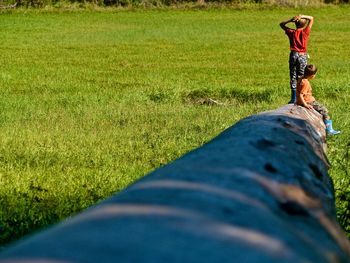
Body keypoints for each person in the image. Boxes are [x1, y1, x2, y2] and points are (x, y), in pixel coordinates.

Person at [296, 64, 340, 135]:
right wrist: (305, 104)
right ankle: (329, 130)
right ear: (312, 75)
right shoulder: (306, 83)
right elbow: (301, 94)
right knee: (324, 110)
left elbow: (298, 92)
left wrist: (297, 101)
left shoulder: (301, 78)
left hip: (301, 101)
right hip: (308, 101)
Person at [280, 14, 314, 104]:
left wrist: (290, 20)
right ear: (304, 24)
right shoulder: (305, 32)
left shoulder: (291, 32)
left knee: (293, 75)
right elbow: (311, 18)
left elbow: (281, 24)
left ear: (295, 23)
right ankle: (302, 96)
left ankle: (293, 98)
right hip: (302, 55)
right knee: (302, 75)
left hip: (293, 55)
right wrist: (302, 16)